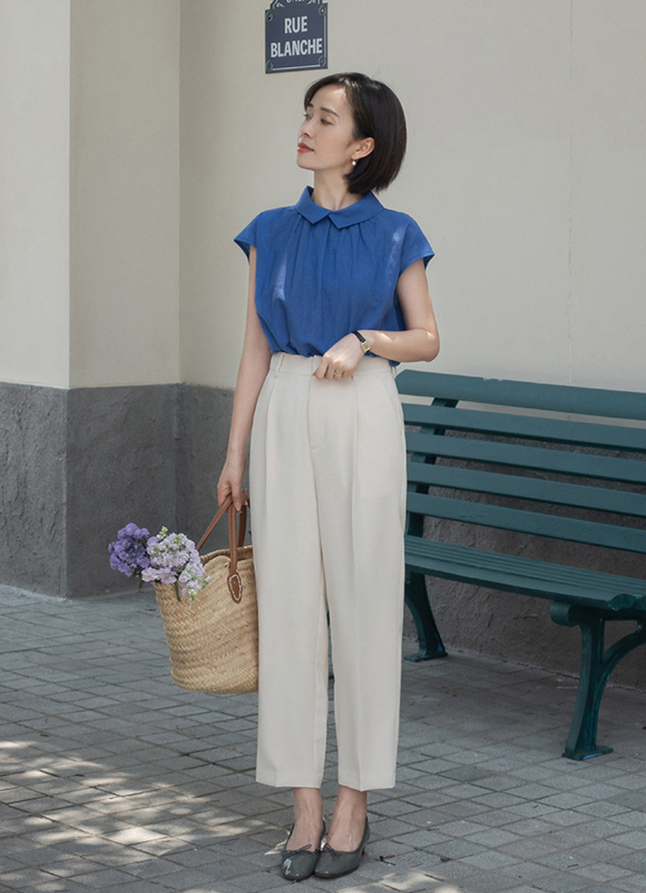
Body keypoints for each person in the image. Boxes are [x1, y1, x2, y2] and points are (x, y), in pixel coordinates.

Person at [217, 72, 439, 881]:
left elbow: (428, 337)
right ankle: (303, 803)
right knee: (287, 608)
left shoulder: (396, 233)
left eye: (326, 117)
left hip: (362, 410)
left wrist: (366, 338)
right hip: (282, 405)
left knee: (365, 602)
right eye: (307, 113)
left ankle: (355, 798)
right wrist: (234, 452)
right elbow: (253, 348)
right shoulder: (269, 231)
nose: (308, 127)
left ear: (363, 144)